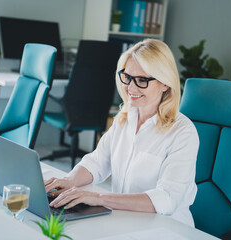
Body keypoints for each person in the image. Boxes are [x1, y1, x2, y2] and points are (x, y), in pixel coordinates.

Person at [45, 39, 199, 226]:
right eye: (127, 77)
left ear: (165, 84)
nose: (131, 88)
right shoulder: (125, 117)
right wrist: (69, 180)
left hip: (166, 228)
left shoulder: (183, 132)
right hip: (125, 220)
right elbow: (98, 162)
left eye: (142, 80)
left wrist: (99, 198)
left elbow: (167, 198)